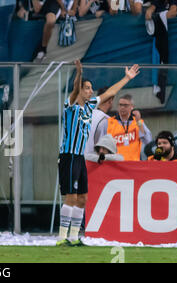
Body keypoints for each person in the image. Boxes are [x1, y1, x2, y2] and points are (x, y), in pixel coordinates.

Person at [57, 60, 140, 247]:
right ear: (79, 90)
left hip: (80, 157)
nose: (90, 91)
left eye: (91, 88)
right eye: (87, 88)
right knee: (71, 196)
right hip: (68, 155)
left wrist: (126, 78)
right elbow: (73, 92)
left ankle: (74, 237)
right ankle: (61, 238)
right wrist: (79, 73)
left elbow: (109, 92)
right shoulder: (70, 106)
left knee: (83, 197)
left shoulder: (90, 106)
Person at [100, 94, 152, 161]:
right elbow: (102, 145)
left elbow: (148, 141)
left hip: (133, 164)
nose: (122, 107)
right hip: (114, 164)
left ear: (132, 107)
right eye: (120, 105)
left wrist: (139, 121)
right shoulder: (108, 122)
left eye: (125, 105)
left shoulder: (138, 122)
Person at [84, 86, 114, 155]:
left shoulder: (86, 113)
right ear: (110, 100)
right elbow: (104, 149)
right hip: (91, 161)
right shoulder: (106, 120)